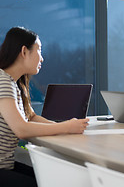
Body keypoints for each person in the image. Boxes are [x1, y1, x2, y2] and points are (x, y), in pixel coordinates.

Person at [0, 27, 89, 187]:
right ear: (24, 51)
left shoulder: (13, 83)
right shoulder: (3, 82)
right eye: (39, 50)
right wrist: (66, 127)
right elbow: (21, 129)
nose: (42, 58)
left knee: (49, 178)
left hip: (6, 165)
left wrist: (62, 126)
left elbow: (31, 117)